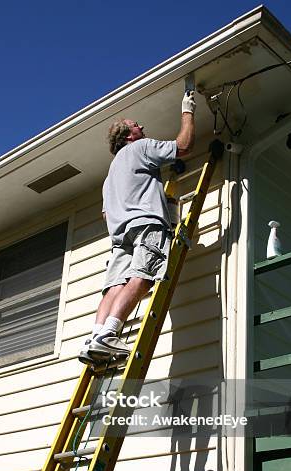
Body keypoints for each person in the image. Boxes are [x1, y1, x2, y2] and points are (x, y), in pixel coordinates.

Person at [78, 91, 196, 364]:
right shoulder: (140, 148)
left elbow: (107, 215)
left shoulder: (109, 177)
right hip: (145, 226)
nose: (142, 127)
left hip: (120, 236)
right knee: (142, 277)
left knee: (114, 286)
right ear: (128, 136)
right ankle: (110, 334)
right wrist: (187, 111)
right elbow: (184, 145)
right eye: (136, 125)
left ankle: (96, 336)